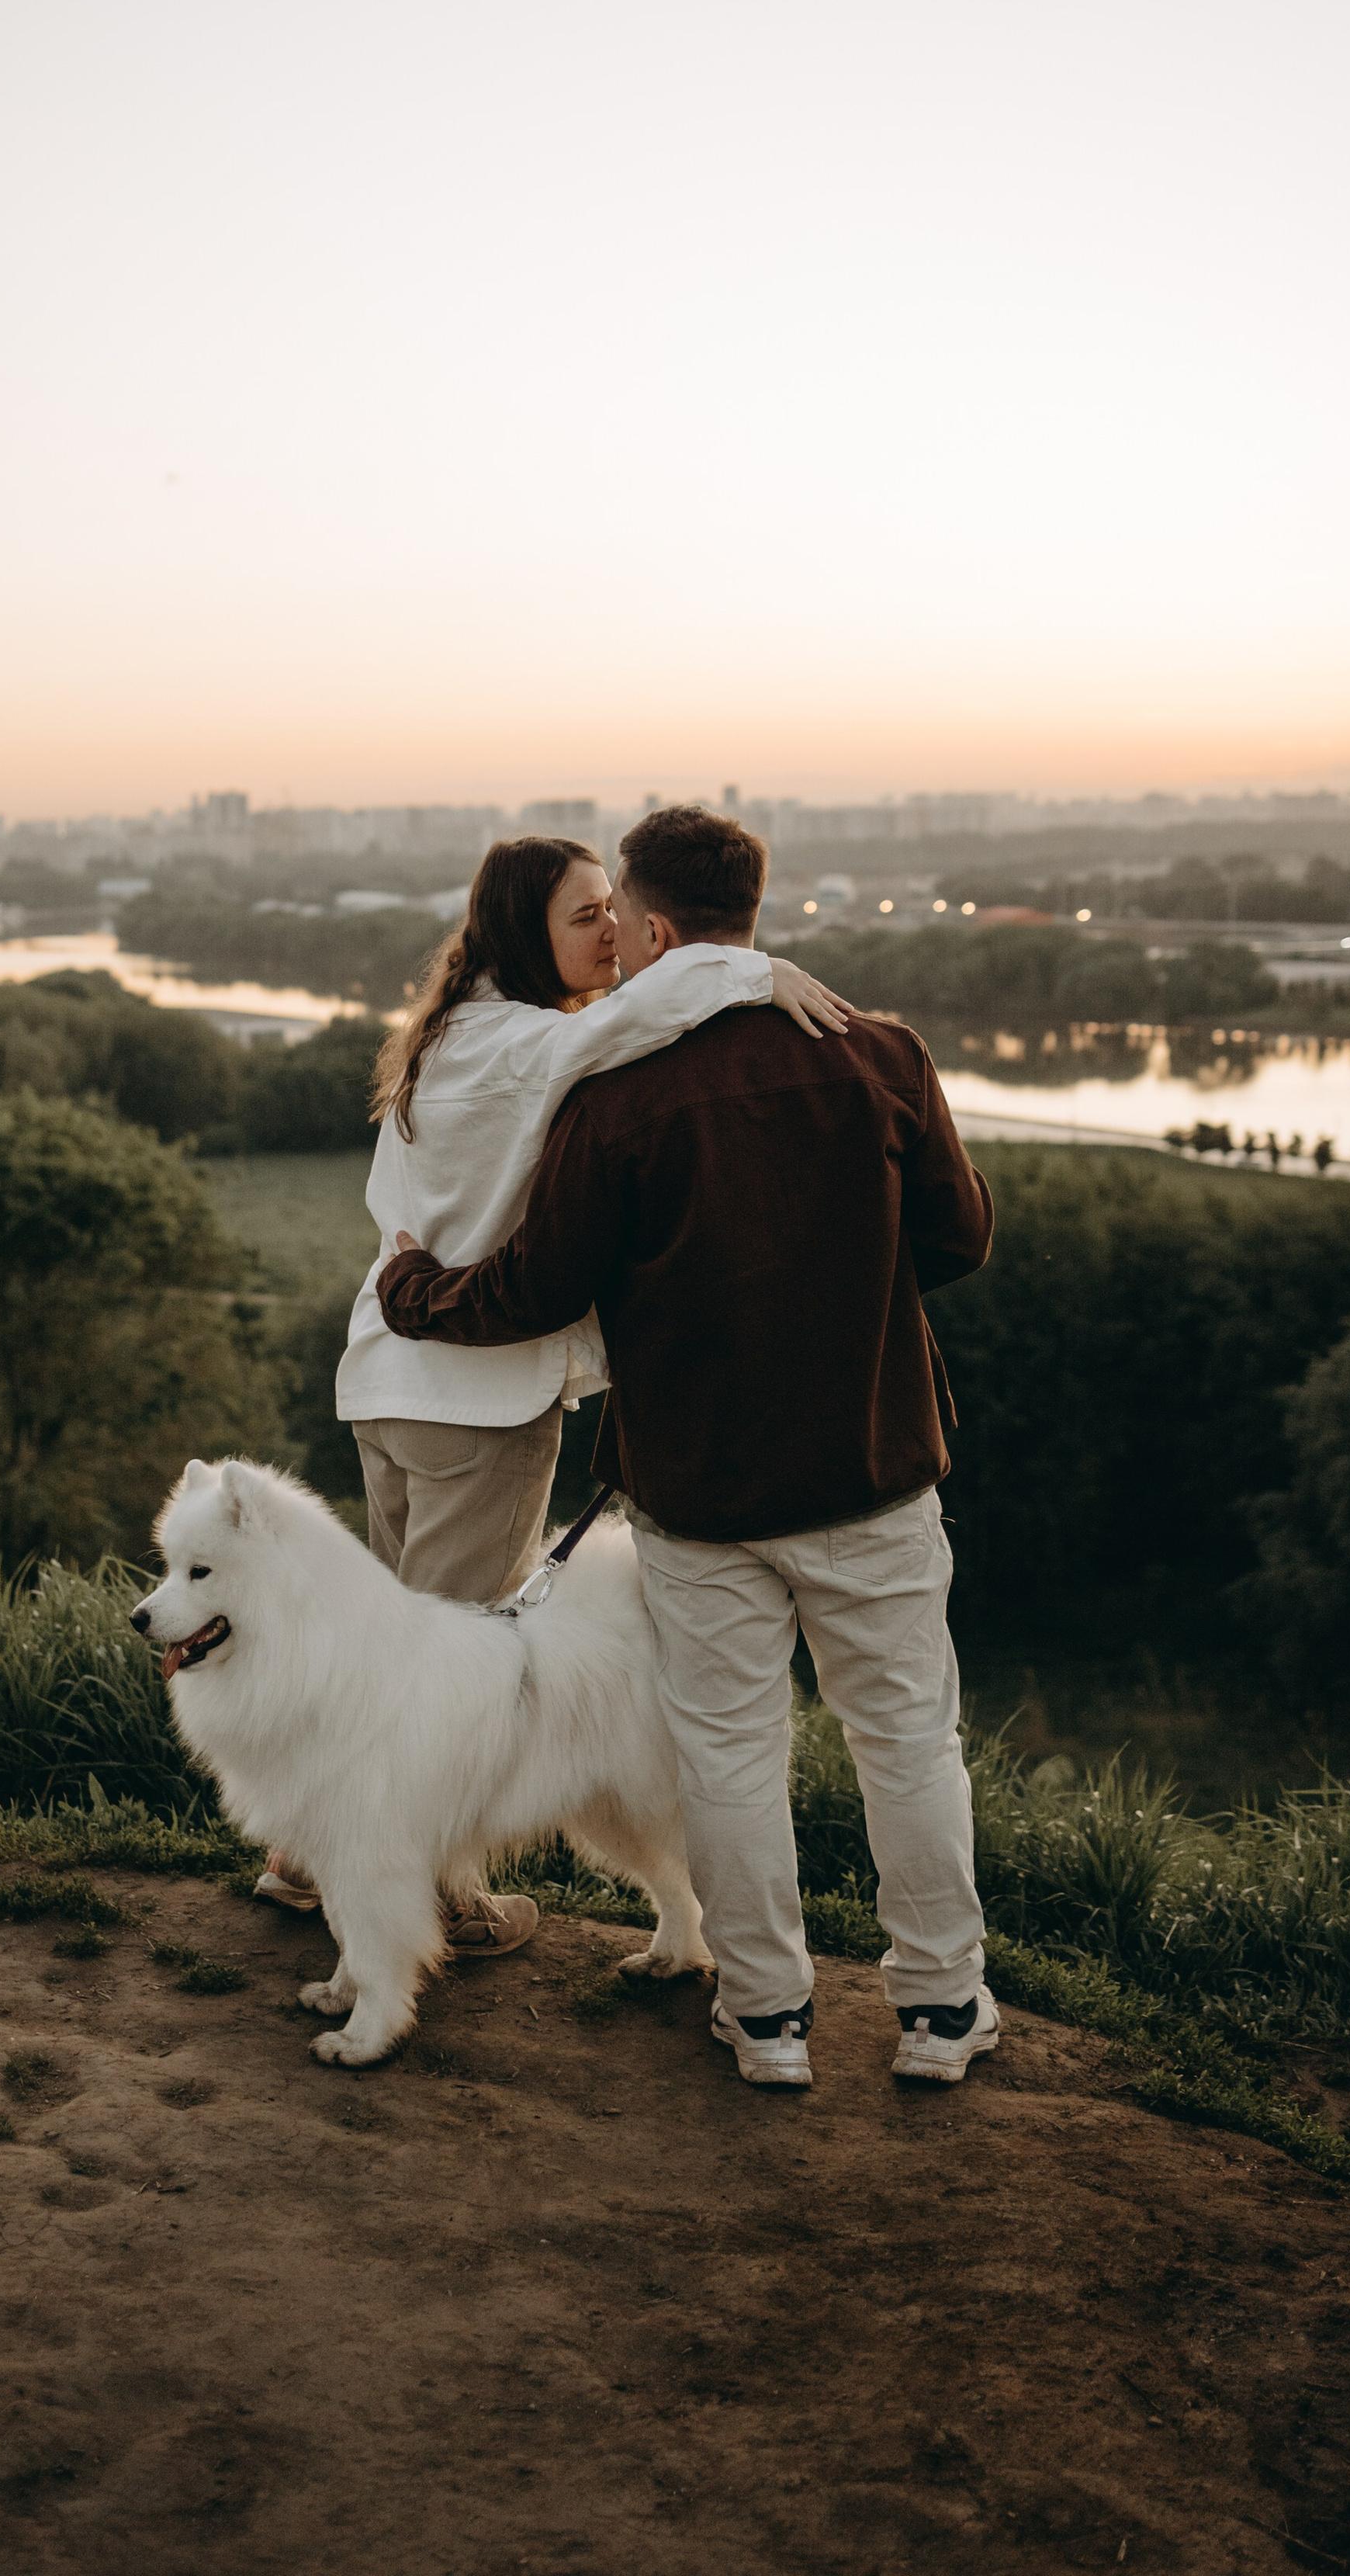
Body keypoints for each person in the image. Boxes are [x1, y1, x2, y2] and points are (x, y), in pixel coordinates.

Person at [379, 804, 995, 2092]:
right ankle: (941, 2011)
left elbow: (535, 1288)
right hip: (871, 1466)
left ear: (655, 926)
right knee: (908, 1741)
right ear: (754, 912)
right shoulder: (881, 1056)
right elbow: (960, 1239)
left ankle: (767, 2020)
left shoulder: (617, 1097)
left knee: (728, 1750)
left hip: (699, 1492)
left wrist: (413, 1293)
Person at [252, 830, 852, 1954]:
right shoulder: (523, 1046)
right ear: (526, 932)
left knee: (392, 1644)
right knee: (459, 1671)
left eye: (613, 912)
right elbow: (646, 1016)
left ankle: (304, 1856)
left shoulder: (449, 1036)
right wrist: (758, 970)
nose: (613, 933)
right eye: (586, 916)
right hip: (474, 1403)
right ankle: (435, 1895)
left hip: (391, 1381)